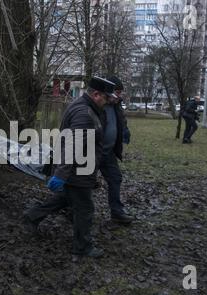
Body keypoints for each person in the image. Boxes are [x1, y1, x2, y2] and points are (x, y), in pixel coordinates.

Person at [23, 76, 117, 259]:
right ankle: (82, 247)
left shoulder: (87, 106)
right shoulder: (85, 113)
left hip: (79, 168)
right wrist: (61, 175)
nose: (108, 101)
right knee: (85, 208)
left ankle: (32, 215)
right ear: (96, 94)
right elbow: (73, 145)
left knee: (64, 199)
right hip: (77, 169)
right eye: (106, 97)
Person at [100, 76, 134, 225]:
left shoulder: (116, 106)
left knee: (115, 178)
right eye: (117, 92)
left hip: (108, 153)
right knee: (82, 186)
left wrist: (125, 132)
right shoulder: (98, 104)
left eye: (120, 93)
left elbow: (121, 122)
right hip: (92, 152)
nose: (119, 96)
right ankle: (39, 212)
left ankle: (117, 212)